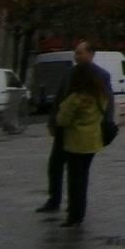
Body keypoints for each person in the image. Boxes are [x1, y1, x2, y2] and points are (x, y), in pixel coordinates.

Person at [38, 40, 113, 216]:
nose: (76, 56)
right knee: (55, 165)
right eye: (76, 52)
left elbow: (108, 102)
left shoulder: (101, 75)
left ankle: (76, 210)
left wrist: (107, 124)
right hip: (65, 129)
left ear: (91, 54)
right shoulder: (70, 73)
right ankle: (54, 199)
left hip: (81, 131)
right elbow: (59, 99)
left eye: (80, 53)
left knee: (77, 173)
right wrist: (52, 122)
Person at [53, 60, 110, 227]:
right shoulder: (100, 96)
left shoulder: (76, 98)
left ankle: (74, 214)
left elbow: (62, 120)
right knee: (83, 177)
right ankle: (80, 212)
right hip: (93, 141)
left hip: (76, 141)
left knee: (74, 178)